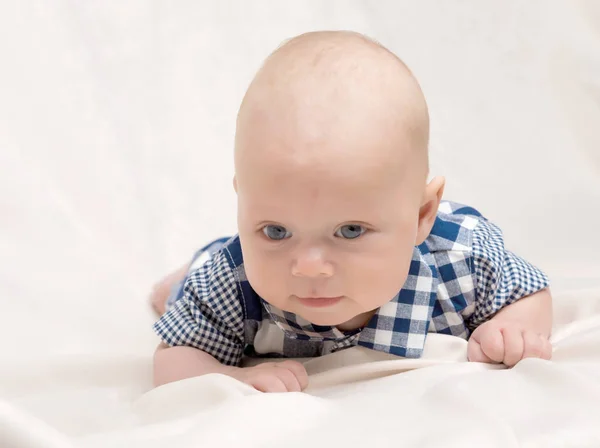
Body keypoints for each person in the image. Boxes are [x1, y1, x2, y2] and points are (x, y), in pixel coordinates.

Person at [150, 31, 552, 393]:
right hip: (219, 261)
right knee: (185, 289)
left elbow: (528, 290)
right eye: (275, 230)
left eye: (350, 231)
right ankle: (183, 274)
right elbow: (174, 356)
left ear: (421, 215)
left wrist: (513, 327)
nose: (309, 267)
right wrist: (232, 378)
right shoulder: (232, 281)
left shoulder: (460, 258)